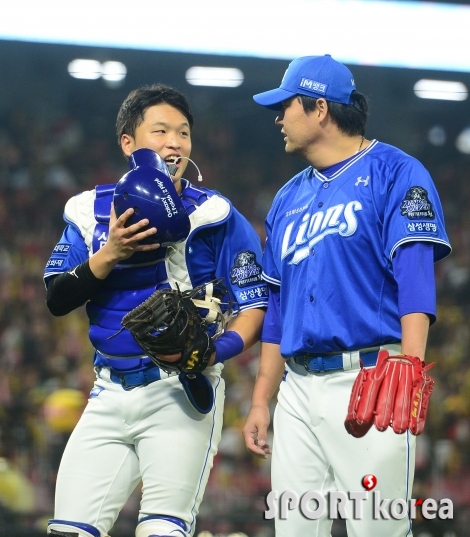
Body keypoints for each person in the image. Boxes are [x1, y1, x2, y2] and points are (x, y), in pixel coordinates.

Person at [44, 84, 267, 537]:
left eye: (183, 133)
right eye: (160, 130)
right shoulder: (90, 212)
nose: (174, 142)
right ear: (128, 142)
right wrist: (110, 252)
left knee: (161, 532)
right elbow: (57, 298)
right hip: (107, 393)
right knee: (68, 531)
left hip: (179, 394)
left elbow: (256, 305)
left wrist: (212, 352)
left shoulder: (215, 216)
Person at [242, 54, 451, 536]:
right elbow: (277, 307)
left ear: (319, 108)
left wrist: (410, 365)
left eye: (286, 105)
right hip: (296, 389)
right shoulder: (286, 198)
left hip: (372, 380)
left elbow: (415, 276)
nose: (278, 118)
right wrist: (260, 400)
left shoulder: (397, 172)